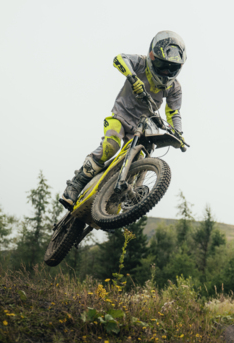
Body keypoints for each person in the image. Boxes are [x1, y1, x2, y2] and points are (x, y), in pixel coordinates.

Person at [59, 30, 187, 210]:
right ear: (152, 57)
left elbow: (173, 112)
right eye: (162, 65)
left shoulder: (174, 87)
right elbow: (119, 59)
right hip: (120, 117)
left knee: (138, 162)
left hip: (142, 127)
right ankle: (76, 184)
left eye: (171, 68)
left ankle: (114, 207)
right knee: (110, 146)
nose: (166, 71)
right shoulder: (141, 63)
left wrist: (178, 133)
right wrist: (133, 78)